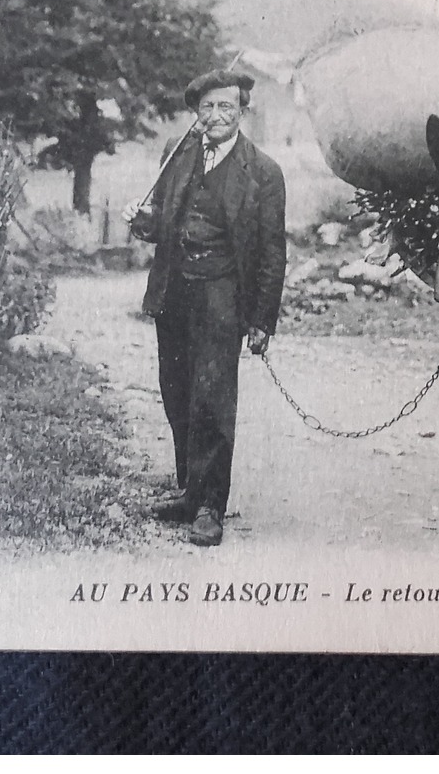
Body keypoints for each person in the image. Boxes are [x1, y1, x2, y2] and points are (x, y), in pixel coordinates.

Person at [122, 70, 287, 547]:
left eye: (226, 108)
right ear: (197, 112)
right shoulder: (177, 154)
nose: (216, 117)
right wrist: (142, 222)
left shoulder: (263, 172)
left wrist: (260, 320)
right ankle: (189, 494)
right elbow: (163, 225)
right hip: (174, 291)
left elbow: (273, 252)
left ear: (242, 112)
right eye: (208, 108)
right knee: (175, 392)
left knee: (213, 399)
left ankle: (211, 506)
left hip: (222, 294)